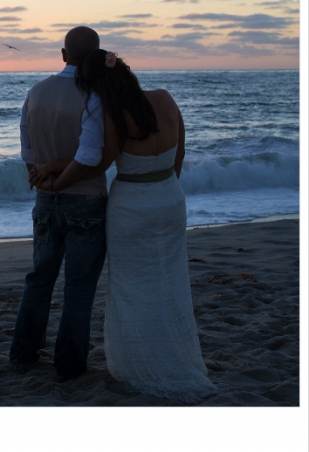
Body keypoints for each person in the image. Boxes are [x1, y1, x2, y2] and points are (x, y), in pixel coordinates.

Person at [31, 49, 216, 402]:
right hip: (169, 198)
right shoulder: (165, 98)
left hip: (131, 206)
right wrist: (163, 190)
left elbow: (97, 163)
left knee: (132, 285)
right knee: (170, 280)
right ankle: (178, 355)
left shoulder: (114, 116)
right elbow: (179, 154)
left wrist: (54, 169)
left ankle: (141, 362)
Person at [9, 26, 108, 382]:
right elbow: (91, 154)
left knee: (39, 279)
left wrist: (40, 177)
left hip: (45, 199)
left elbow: (26, 145)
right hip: (86, 201)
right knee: (79, 287)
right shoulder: (93, 95)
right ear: (97, 56)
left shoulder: (36, 91)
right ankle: (68, 365)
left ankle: (22, 351)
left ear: (63, 54)